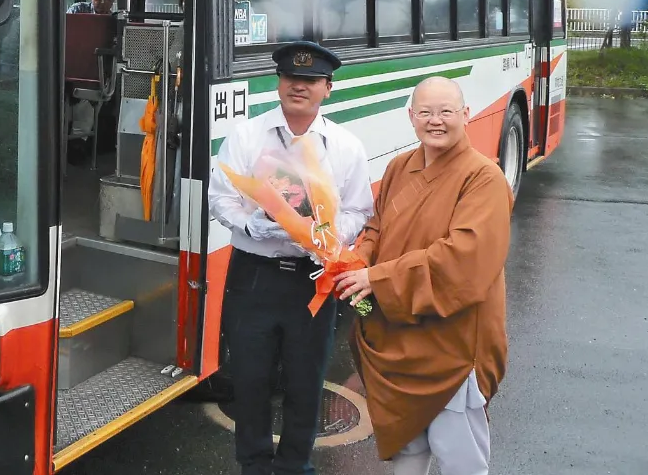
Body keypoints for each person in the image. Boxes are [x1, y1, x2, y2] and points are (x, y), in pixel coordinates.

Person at [208, 40, 374, 475]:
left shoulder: (344, 146)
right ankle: (254, 464)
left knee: (305, 383)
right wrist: (250, 226)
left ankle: (295, 466)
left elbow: (360, 209)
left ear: (327, 88)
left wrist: (329, 234)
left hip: (312, 278)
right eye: (290, 78)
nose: (298, 86)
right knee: (250, 378)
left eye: (310, 80)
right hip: (254, 277)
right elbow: (220, 198)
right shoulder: (247, 135)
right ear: (279, 82)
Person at [336, 76, 513, 475]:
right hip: (399, 335)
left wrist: (377, 280)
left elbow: (462, 261)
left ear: (466, 115)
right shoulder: (401, 166)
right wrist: (355, 264)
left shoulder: (483, 178)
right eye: (426, 112)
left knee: (459, 459)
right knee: (408, 448)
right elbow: (376, 230)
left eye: (446, 112)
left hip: (452, 343)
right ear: (411, 117)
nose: (436, 121)